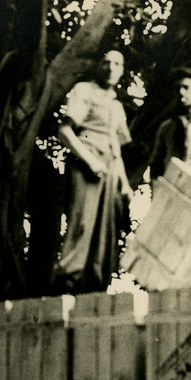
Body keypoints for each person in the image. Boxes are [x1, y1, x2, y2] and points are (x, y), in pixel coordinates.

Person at [51, 49, 135, 295]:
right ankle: (66, 282)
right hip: (86, 164)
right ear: (98, 66)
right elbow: (64, 132)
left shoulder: (117, 106)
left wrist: (125, 185)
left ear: (122, 70)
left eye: (117, 63)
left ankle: (94, 286)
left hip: (109, 169)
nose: (111, 67)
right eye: (106, 62)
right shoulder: (84, 90)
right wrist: (89, 160)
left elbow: (117, 151)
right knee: (83, 224)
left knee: (105, 231)